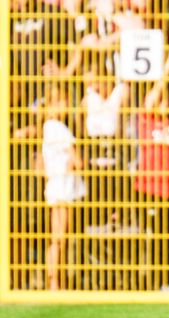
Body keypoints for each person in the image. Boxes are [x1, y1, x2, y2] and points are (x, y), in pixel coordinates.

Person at [36, 85, 87, 291]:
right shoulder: (58, 127)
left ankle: (56, 281)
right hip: (63, 186)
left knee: (57, 237)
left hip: (55, 185)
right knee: (59, 238)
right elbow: (78, 161)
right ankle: (55, 282)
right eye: (63, 101)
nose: (66, 105)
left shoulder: (47, 128)